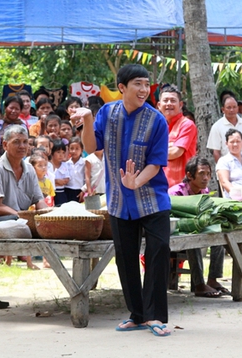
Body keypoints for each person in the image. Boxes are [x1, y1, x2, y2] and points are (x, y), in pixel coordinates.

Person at [71, 63, 171, 337]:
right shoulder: (107, 112)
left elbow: (156, 162)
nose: (143, 89)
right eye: (137, 83)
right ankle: (137, 315)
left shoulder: (156, 120)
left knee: (159, 251)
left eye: (146, 84)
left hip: (153, 199)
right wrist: (89, 120)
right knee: (125, 259)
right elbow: (91, 147)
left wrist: (136, 181)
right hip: (118, 201)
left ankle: (156, 316)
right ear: (122, 88)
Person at [0, 125, 47, 270]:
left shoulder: (29, 170)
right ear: (5, 145)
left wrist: (48, 216)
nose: (22, 146)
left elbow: (39, 200)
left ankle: (46, 259)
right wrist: (24, 216)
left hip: (18, 219)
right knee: (22, 223)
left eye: (25, 142)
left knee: (43, 222)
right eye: (16, 142)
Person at [168, 157, 228, 298]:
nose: (206, 178)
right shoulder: (176, 193)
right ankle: (199, 284)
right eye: (201, 173)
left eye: (208, 174)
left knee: (218, 238)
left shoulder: (204, 192)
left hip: (196, 232)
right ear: (189, 175)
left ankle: (213, 279)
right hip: (176, 236)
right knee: (193, 240)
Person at [157, 85, 197, 187]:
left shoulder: (187, 124)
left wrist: (153, 152)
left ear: (180, 105)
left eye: (173, 100)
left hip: (182, 187)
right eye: (165, 100)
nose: (169, 103)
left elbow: (176, 152)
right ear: (159, 105)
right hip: (160, 185)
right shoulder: (157, 126)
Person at [207, 95, 242, 163]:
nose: (232, 110)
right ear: (223, 110)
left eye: (234, 107)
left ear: (237, 108)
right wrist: (222, 169)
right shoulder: (217, 127)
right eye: (228, 107)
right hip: (227, 168)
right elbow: (216, 152)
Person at [50, 140, 70, 206]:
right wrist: (56, 181)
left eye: (63, 152)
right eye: (58, 152)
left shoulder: (65, 165)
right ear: (52, 152)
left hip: (61, 193)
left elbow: (66, 180)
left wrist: (55, 182)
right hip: (50, 194)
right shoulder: (48, 165)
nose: (61, 155)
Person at [65, 137, 85, 203]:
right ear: (68, 149)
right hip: (67, 190)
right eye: (72, 148)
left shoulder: (84, 163)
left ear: (81, 150)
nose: (74, 151)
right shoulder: (66, 164)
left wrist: (83, 191)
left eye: (77, 149)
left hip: (79, 191)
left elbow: (87, 178)